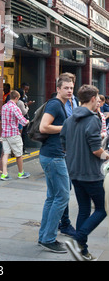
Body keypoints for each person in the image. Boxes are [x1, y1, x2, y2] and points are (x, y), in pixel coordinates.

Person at [61, 85, 109, 261]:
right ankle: (79, 238)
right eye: (97, 98)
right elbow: (96, 150)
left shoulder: (70, 118)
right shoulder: (93, 119)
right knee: (102, 209)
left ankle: (82, 251)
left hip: (74, 172)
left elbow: (63, 142)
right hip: (91, 174)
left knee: (84, 209)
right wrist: (107, 156)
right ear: (92, 99)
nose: (99, 101)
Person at [38, 75, 74, 254]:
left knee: (52, 197)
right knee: (62, 197)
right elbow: (43, 127)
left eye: (71, 88)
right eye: (66, 87)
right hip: (54, 157)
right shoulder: (54, 104)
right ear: (58, 88)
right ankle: (49, 239)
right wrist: (67, 127)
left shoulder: (61, 104)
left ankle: (44, 236)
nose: (69, 90)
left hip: (52, 155)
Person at [0, 90, 30, 180]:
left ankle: (4, 173)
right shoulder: (15, 107)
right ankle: (21, 173)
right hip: (13, 134)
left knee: (6, 154)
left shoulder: (4, 107)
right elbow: (22, 121)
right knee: (19, 154)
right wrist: (27, 121)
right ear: (16, 98)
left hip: (4, 134)